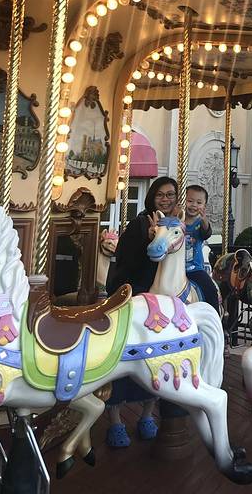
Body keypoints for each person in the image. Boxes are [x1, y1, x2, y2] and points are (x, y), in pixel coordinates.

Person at [104, 176, 179, 447]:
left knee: (156, 357)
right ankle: (115, 420)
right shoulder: (140, 223)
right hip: (135, 292)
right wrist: (146, 241)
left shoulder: (173, 225)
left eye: (170, 194)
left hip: (159, 299)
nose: (166, 199)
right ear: (151, 198)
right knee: (123, 354)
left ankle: (147, 414)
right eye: (161, 194)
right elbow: (124, 260)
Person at [184, 185, 220, 311]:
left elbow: (206, 233)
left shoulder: (200, 224)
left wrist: (204, 220)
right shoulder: (176, 221)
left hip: (194, 268)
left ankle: (214, 316)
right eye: (190, 201)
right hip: (174, 268)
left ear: (204, 206)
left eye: (199, 203)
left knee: (210, 290)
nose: (194, 205)